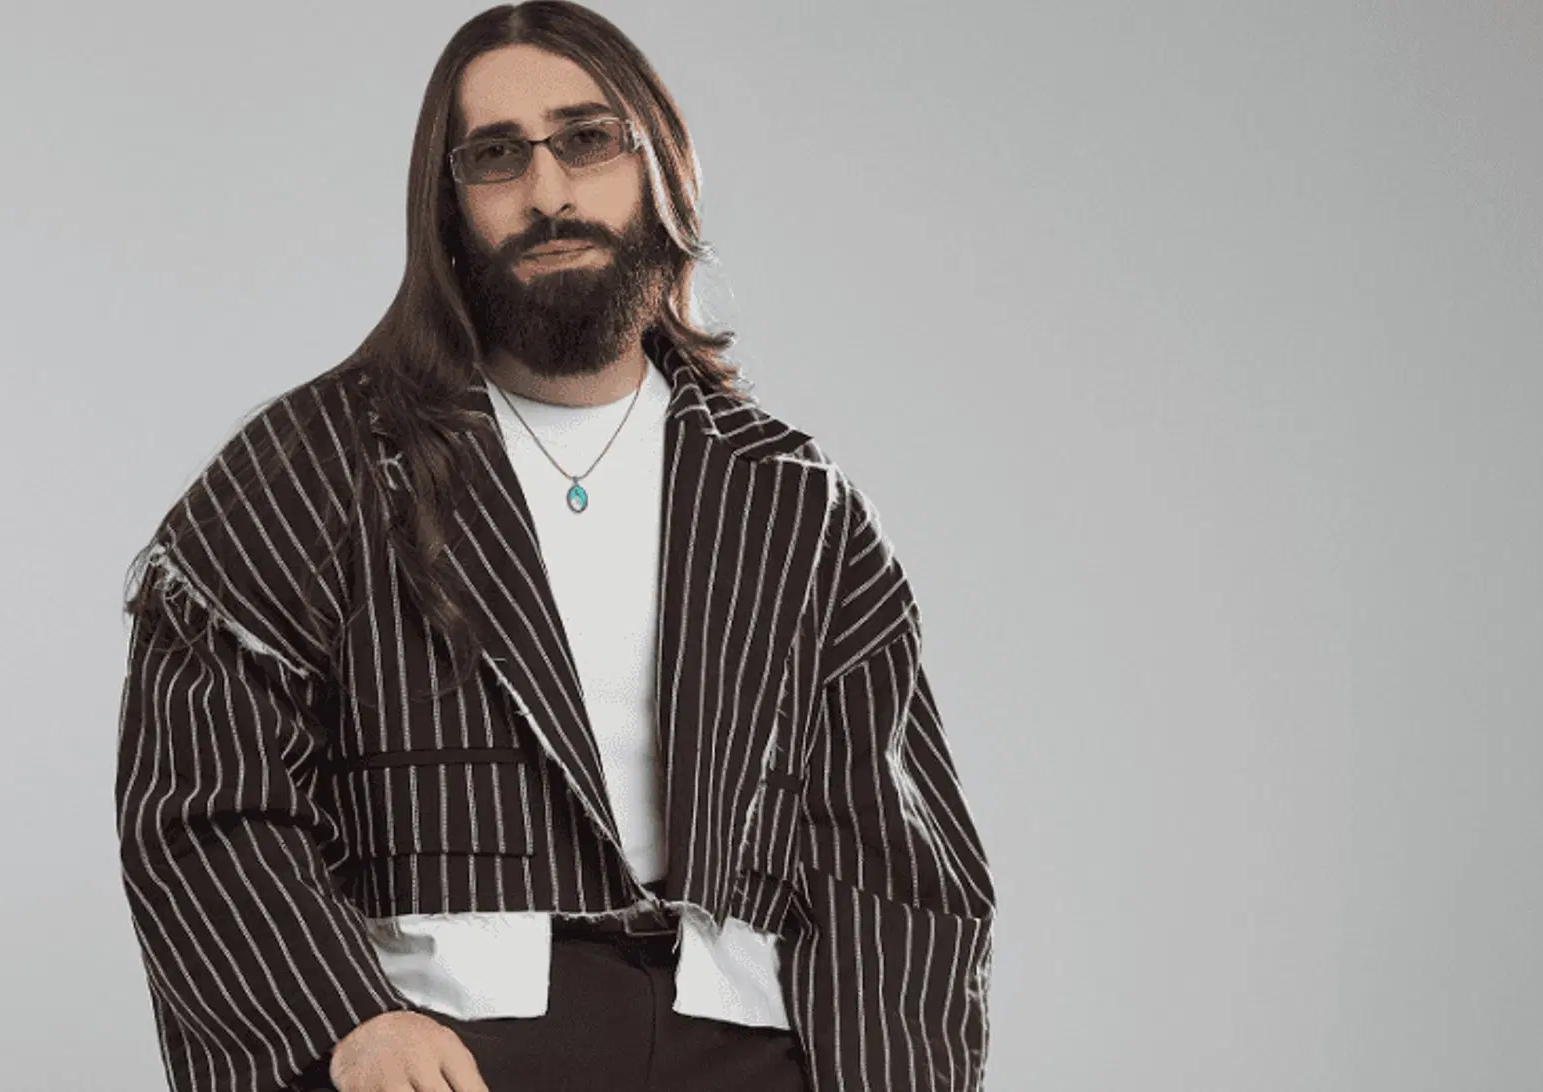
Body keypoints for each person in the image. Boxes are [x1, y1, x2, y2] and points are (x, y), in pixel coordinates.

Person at [113, 3, 996, 1090]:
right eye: (496, 156)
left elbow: (895, 867)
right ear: (447, 204)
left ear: (660, 166)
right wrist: (348, 1021)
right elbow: (203, 800)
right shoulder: (312, 466)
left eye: (587, 139)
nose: (547, 192)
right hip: (448, 1041)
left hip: (751, 1043)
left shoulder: (791, 500)